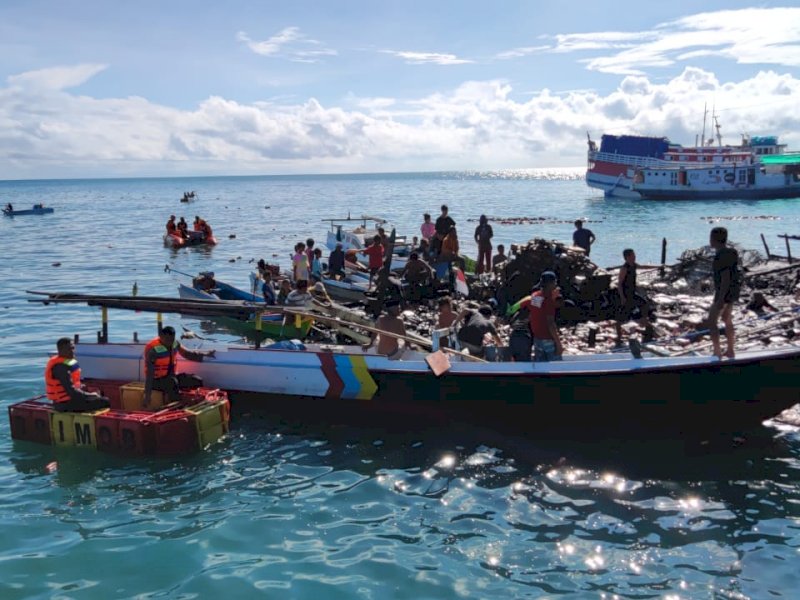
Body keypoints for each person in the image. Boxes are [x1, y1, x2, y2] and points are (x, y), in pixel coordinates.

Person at [144, 326, 214, 406]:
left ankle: (195, 402)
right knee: (172, 382)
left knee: (196, 380)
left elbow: (187, 354)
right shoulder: (152, 348)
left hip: (171, 377)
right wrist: (147, 396)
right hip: (155, 381)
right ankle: (176, 406)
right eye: (167, 339)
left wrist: (205, 354)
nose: (169, 342)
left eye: (172, 339)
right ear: (161, 337)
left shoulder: (175, 343)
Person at [45, 338, 110, 412]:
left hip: (71, 399)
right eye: (68, 349)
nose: (72, 351)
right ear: (60, 350)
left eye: (73, 348)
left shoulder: (67, 362)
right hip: (64, 404)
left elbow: (74, 384)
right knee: (105, 401)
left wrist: (84, 388)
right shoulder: (60, 367)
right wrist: (90, 395)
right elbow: (72, 392)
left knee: (100, 394)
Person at [509, 271, 562, 361]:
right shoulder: (548, 300)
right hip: (547, 338)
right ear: (550, 284)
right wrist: (558, 344)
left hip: (537, 339)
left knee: (541, 367)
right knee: (555, 366)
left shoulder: (535, 295)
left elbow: (537, 313)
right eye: (555, 282)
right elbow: (550, 323)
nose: (556, 284)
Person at [707, 227, 740, 358]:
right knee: (727, 319)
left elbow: (725, 277)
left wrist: (720, 299)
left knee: (711, 321)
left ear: (714, 239)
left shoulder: (722, 255)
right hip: (733, 291)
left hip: (724, 292)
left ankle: (717, 352)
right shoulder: (731, 252)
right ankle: (730, 350)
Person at [614, 249, 656, 346]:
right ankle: (618, 338)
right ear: (627, 257)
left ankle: (645, 326)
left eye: (634, 255)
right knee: (621, 317)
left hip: (633, 294)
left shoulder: (634, 265)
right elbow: (619, 284)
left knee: (645, 304)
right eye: (633, 255)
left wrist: (659, 266)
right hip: (626, 295)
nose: (635, 256)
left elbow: (643, 266)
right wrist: (622, 297)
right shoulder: (624, 268)